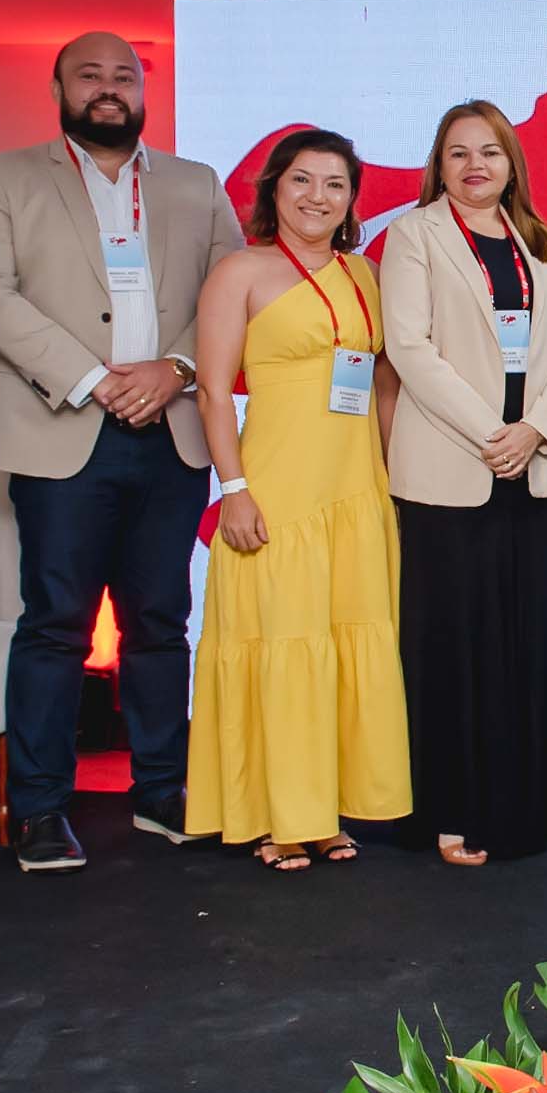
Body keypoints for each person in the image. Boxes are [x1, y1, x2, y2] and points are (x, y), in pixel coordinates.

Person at [0, 32, 245, 874]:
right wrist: (91, 378)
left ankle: (163, 791)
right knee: (55, 624)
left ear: (143, 91)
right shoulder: (2, 177)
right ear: (58, 87)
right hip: (60, 428)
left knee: (160, 621)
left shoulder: (195, 183)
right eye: (90, 75)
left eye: (125, 75)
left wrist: (176, 368)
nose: (109, 88)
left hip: (171, 430)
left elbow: (232, 291)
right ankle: (40, 808)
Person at [184, 129, 411, 870]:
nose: (318, 197)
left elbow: (384, 386)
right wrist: (234, 489)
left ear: (352, 200)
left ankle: (327, 811)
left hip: (355, 492)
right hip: (276, 490)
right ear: (274, 189)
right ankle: (280, 817)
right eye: (302, 180)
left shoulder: (365, 274)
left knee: (342, 648)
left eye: (335, 184)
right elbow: (212, 391)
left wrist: (392, 483)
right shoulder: (240, 271)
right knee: (285, 646)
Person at [383, 101, 547, 865]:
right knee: (449, 644)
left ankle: (525, 807)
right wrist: (491, 432)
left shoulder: (540, 241)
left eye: (490, 152)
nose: (476, 166)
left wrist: (535, 429)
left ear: (512, 164)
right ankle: (449, 811)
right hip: (450, 469)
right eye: (459, 153)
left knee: (524, 639)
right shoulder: (413, 235)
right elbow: (410, 347)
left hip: (529, 472)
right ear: (439, 166)